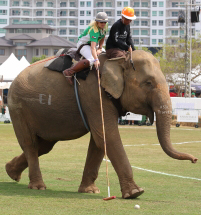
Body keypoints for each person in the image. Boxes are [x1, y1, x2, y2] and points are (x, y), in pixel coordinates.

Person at [63, 12, 108, 85]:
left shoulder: (105, 26)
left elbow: (103, 37)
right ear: (97, 22)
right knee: (92, 59)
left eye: (105, 22)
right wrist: (96, 59)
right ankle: (69, 71)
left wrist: (100, 48)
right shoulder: (94, 30)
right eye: (101, 22)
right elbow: (93, 48)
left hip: (91, 44)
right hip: (83, 44)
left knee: (104, 52)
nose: (103, 24)